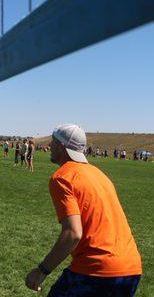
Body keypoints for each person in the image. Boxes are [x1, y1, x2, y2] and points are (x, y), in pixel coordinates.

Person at [25, 124, 142, 295]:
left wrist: (42, 270)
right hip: (131, 268)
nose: (50, 145)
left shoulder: (63, 177)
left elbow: (73, 233)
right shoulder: (99, 174)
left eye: (53, 141)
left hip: (97, 269)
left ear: (61, 146)